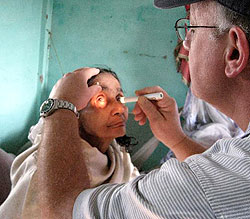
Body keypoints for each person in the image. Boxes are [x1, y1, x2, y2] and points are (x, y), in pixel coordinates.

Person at [32, 0, 250, 218]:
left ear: (234, 52)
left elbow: (63, 211)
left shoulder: (213, 187)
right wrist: (176, 139)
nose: (186, 45)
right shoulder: (230, 170)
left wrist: (60, 103)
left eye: (192, 29)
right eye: (101, 99)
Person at [0, 68, 139, 218]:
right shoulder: (48, 168)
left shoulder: (118, 155)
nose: (120, 108)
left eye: (119, 97)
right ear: (73, 113)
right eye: (100, 99)